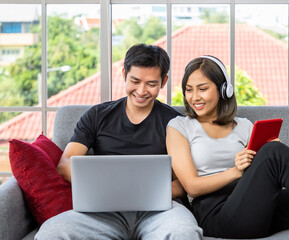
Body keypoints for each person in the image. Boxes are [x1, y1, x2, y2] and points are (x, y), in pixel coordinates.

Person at [166, 55, 289, 239]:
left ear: (224, 89)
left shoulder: (245, 126)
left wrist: (280, 155)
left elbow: (271, 166)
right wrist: (236, 171)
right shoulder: (180, 127)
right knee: (273, 153)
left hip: (259, 206)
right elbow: (192, 187)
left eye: (202, 88)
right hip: (218, 214)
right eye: (189, 89)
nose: (194, 97)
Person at [35, 44, 203, 240]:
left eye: (151, 84)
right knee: (51, 232)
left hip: (161, 210)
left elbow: (185, 182)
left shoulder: (176, 122)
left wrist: (144, 193)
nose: (141, 91)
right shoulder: (97, 116)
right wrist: (109, 189)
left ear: (163, 81)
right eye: (135, 81)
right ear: (124, 74)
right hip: (102, 211)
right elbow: (65, 165)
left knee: (185, 233)